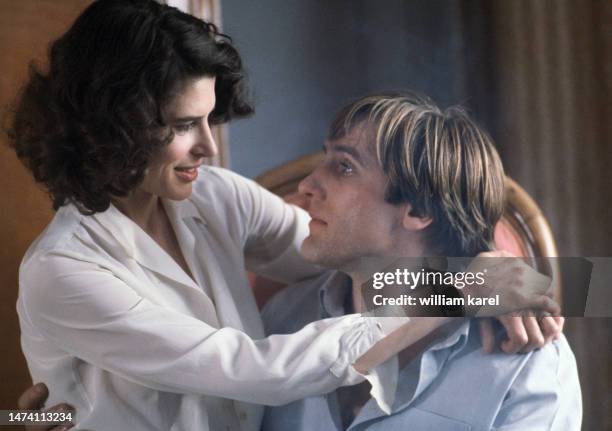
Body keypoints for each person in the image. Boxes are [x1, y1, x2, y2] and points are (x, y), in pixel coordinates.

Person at [9, 1, 561, 430]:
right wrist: (455, 288)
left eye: (210, 120)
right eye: (182, 126)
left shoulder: (215, 197)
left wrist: (491, 264)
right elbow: (254, 371)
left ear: (415, 208)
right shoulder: (62, 272)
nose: (211, 148)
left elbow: (352, 251)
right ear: (115, 124)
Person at [260, 93, 581, 430]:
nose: (307, 185)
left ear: (418, 210)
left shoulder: (525, 363)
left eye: (344, 166)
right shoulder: (282, 318)